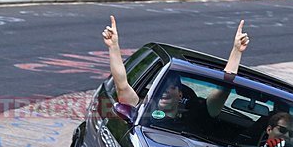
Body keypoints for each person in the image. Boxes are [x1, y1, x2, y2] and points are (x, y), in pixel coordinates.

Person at [101, 15, 250, 131]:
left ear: (180, 94)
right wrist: (113, 46)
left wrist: (236, 50)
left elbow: (224, 87)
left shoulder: (197, 114)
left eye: (171, 87)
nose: (166, 91)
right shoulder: (143, 110)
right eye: (163, 87)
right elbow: (121, 84)